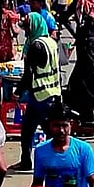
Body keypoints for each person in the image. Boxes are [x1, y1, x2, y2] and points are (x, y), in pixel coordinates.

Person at [15, 12, 62, 169]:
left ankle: (48, 161)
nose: (26, 31)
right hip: (53, 92)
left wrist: (18, 92)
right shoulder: (52, 43)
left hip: (40, 95)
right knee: (33, 129)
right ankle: (29, 161)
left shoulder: (36, 46)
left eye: (28, 27)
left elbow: (29, 75)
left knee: (37, 130)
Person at [32, 102, 94, 187]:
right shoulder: (40, 150)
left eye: (65, 125)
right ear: (49, 125)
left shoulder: (84, 149)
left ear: (71, 124)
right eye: (56, 126)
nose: (61, 130)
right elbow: (37, 184)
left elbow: (93, 182)